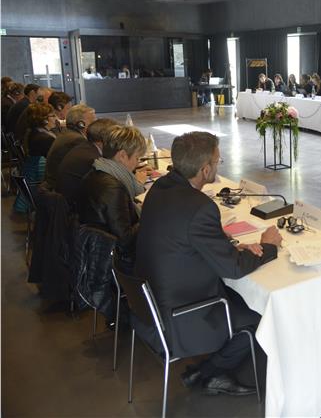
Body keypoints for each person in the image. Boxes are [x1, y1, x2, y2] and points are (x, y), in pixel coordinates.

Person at [135, 132, 282, 396]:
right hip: (181, 312)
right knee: (260, 317)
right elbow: (233, 269)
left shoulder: (161, 187)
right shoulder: (200, 207)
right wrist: (268, 246)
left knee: (242, 298)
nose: (218, 163)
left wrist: (228, 244)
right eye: (217, 160)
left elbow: (184, 235)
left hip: (153, 299)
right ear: (205, 170)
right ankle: (208, 373)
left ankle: (211, 369)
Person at [78, 125, 147, 266]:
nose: (137, 163)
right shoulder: (113, 189)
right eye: (137, 158)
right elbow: (125, 242)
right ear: (122, 156)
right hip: (114, 263)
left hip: (95, 253)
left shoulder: (95, 172)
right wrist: (149, 212)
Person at [57, 118, 119, 208]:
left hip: (71, 205)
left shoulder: (86, 148)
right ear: (104, 140)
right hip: (77, 212)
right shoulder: (93, 160)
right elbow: (109, 192)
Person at [13, 103, 57, 213]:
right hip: (38, 186)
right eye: (53, 116)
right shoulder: (44, 139)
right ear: (44, 120)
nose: (56, 118)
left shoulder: (34, 132)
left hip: (34, 180)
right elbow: (56, 162)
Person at [44, 104, 97, 190]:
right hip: (60, 192)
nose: (96, 126)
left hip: (53, 188)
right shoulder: (77, 141)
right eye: (93, 122)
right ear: (81, 124)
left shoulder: (67, 134)